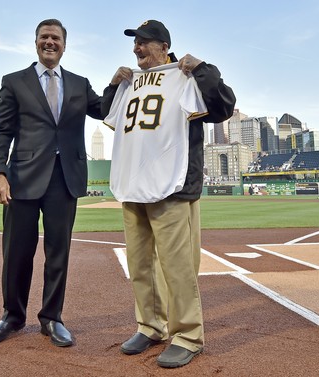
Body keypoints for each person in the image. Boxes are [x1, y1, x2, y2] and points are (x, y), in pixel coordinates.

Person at [102, 20, 236, 368]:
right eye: (135, 44)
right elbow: (107, 114)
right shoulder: (130, 82)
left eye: (144, 43)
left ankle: (188, 335)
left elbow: (223, 106)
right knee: (140, 264)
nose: (137, 49)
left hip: (172, 185)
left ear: (163, 46)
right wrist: (113, 85)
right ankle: (150, 326)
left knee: (177, 267)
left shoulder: (186, 75)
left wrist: (201, 69)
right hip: (134, 184)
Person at [0, 18, 103, 348]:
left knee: (58, 253)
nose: (50, 42)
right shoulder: (15, 82)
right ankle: (12, 316)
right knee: (17, 252)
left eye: (56, 38)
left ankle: (52, 318)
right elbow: (1, 131)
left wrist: (123, 82)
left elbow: (105, 109)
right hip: (21, 177)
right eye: (44, 37)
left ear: (65, 44)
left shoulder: (80, 84)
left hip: (65, 179)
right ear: (36, 42)